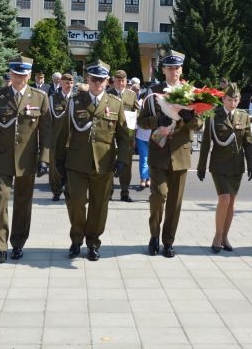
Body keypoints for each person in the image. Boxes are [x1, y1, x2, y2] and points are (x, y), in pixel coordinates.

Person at [55, 60, 130, 261]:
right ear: (88, 79)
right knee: (76, 201)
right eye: (94, 79)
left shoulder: (116, 103)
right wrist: (58, 161)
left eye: (101, 80)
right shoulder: (75, 101)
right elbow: (63, 133)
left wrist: (123, 160)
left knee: (99, 205)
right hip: (77, 163)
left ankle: (93, 242)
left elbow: (123, 136)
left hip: (104, 164)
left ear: (108, 81)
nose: (97, 83)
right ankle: (76, 238)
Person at [0, 56, 50, 264]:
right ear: (10, 74)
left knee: (23, 204)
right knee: (0, 201)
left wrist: (44, 159)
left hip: (27, 160)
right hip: (1, 158)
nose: (19, 78)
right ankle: (0, 247)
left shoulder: (39, 97)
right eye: (15, 74)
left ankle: (18, 243)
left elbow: (46, 133)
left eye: (23, 75)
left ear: (29, 75)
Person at [137, 50, 203, 258]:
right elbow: (141, 121)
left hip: (180, 154)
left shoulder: (191, 93)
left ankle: (168, 241)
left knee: (175, 202)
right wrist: (157, 121)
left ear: (181, 70)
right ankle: (154, 235)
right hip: (158, 152)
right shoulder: (154, 93)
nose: (173, 71)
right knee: (158, 196)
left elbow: (200, 124)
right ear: (163, 70)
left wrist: (189, 117)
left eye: (177, 68)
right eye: (169, 68)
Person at [196, 83, 252, 253]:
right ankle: (217, 236)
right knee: (225, 199)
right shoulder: (214, 115)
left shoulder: (243, 116)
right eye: (229, 99)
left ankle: (225, 237)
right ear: (223, 99)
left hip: (237, 166)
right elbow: (206, 143)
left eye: (235, 99)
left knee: (232, 202)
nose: (233, 103)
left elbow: (248, 143)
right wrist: (201, 166)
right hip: (219, 165)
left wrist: (251, 164)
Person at [106, 69, 140, 202]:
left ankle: (124, 192)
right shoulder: (108, 94)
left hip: (127, 135)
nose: (121, 83)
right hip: (111, 134)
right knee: (109, 164)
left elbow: (138, 112)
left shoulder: (131, 95)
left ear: (126, 81)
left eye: (123, 80)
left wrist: (134, 136)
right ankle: (109, 192)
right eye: (118, 80)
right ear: (114, 81)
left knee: (126, 165)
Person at [48, 73, 74, 201]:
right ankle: (56, 191)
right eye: (65, 83)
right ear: (61, 84)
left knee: (70, 166)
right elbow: (49, 119)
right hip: (57, 138)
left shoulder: (77, 98)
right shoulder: (54, 98)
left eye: (70, 83)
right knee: (56, 167)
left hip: (72, 139)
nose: (68, 85)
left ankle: (69, 191)